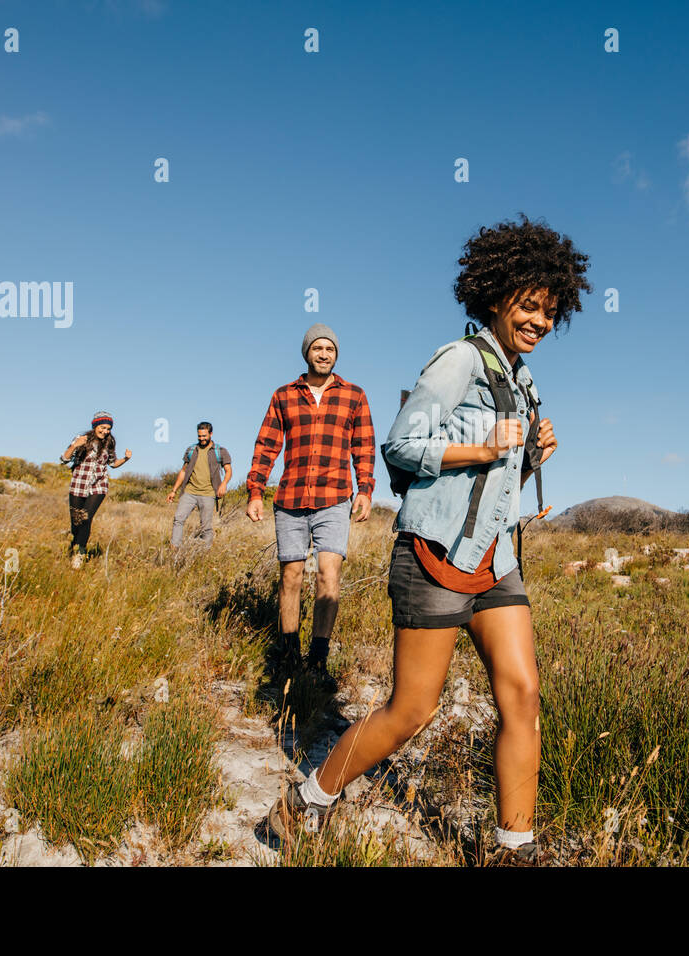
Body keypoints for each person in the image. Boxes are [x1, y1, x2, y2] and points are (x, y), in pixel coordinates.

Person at [267, 214, 592, 865]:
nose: (540, 320)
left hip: (496, 560)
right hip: (434, 555)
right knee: (411, 711)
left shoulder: (522, 383)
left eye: (550, 311)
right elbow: (403, 446)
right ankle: (309, 800)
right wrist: (483, 445)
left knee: (523, 697)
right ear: (496, 298)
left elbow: (498, 481)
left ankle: (513, 848)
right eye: (529, 306)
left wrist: (530, 456)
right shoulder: (460, 360)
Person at [246, 323, 376, 689]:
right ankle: (289, 655)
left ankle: (317, 661)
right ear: (306, 353)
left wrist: (364, 489)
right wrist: (255, 490)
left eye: (329, 349)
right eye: (317, 348)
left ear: (336, 355)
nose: (323, 354)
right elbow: (266, 445)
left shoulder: (354, 395)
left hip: (335, 498)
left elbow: (363, 446)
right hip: (290, 499)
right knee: (291, 577)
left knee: (328, 576)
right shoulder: (284, 395)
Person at [60, 412, 132, 569]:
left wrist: (126, 459)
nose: (105, 431)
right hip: (79, 484)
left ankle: (80, 552)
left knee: (86, 517)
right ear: (95, 426)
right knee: (76, 522)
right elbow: (64, 459)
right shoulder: (82, 439)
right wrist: (75, 446)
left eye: (108, 428)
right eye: (103, 427)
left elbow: (112, 464)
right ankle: (75, 542)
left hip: (99, 485)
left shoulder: (109, 443)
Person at [166, 422, 232, 550]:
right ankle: (174, 549)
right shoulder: (192, 450)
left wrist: (224, 484)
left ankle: (203, 553)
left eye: (204, 436)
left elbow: (229, 471)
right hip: (189, 492)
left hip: (208, 494)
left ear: (211, 434)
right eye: (199, 436)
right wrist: (174, 491)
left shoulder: (220, 451)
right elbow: (183, 471)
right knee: (178, 519)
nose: (201, 439)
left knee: (205, 527)